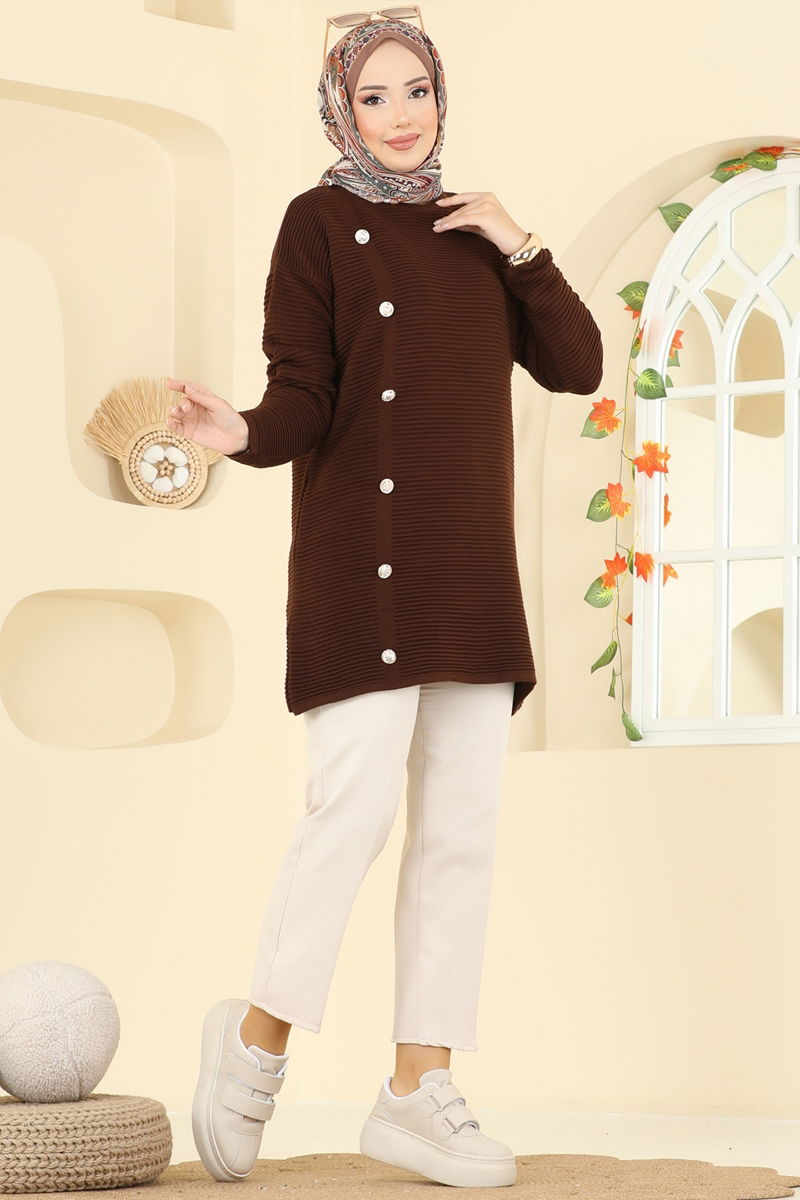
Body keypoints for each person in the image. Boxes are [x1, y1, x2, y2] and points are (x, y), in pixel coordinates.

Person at [167, 8, 602, 1190]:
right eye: (374, 96)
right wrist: (242, 431)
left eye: (417, 91)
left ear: (441, 99)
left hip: (469, 574)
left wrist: (521, 244)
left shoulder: (479, 235)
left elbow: (575, 364)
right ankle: (256, 1041)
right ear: (339, 109)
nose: (400, 115)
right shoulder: (315, 225)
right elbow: (303, 393)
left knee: (459, 832)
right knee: (349, 812)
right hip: (363, 567)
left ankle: (416, 1088)